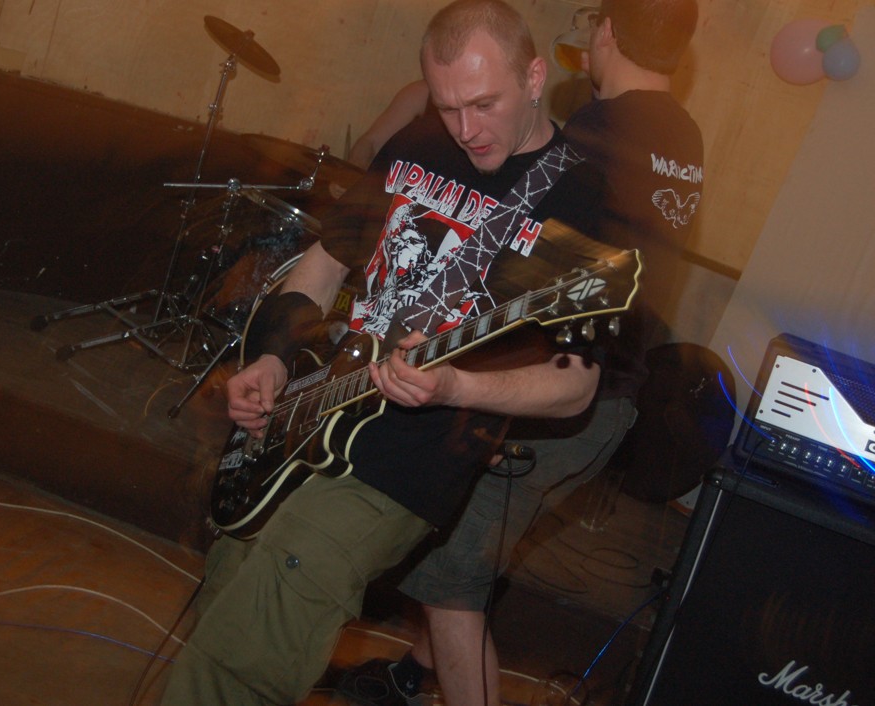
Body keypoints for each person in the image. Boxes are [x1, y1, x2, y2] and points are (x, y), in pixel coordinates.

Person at [157, 1, 622, 704]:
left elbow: (576, 384)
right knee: (227, 596)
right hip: (315, 411)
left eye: (484, 104)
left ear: (534, 77)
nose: (466, 129)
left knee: (263, 625)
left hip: (411, 457)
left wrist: (456, 388)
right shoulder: (419, 144)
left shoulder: (579, 196)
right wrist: (273, 358)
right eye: (448, 106)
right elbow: (323, 266)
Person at [335, 1, 704, 705]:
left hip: (562, 392)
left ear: (606, 31)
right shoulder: (682, 134)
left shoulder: (590, 137)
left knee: (450, 578)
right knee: (455, 559)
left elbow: (507, 273)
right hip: (620, 389)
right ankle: (412, 675)